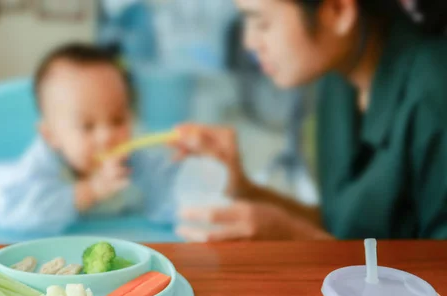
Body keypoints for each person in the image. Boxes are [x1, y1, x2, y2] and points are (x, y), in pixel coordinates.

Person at [172, 0, 447, 241]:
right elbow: (341, 229)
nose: (249, 42)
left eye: (263, 23)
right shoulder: (337, 80)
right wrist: (244, 189)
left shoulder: (435, 92)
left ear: (338, 11)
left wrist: (298, 240)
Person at [0, 44, 178, 234]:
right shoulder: (41, 164)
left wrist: (190, 154)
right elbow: (13, 214)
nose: (107, 137)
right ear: (50, 135)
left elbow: (171, 194)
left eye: (118, 120)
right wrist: (89, 191)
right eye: (87, 126)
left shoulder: (135, 161)